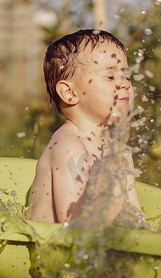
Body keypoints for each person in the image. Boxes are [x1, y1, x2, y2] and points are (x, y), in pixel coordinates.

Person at [28, 29, 141, 224]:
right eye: (110, 77)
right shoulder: (68, 148)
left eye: (127, 77)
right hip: (52, 250)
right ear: (70, 93)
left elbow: (136, 217)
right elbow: (75, 226)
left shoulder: (119, 151)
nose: (124, 84)